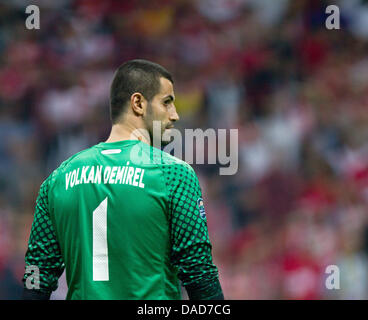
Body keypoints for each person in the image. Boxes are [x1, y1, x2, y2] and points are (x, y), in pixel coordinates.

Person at [22, 59, 224, 300]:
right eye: (167, 102)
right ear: (138, 103)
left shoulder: (57, 180)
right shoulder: (173, 174)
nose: (175, 115)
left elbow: (36, 277)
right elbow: (198, 270)